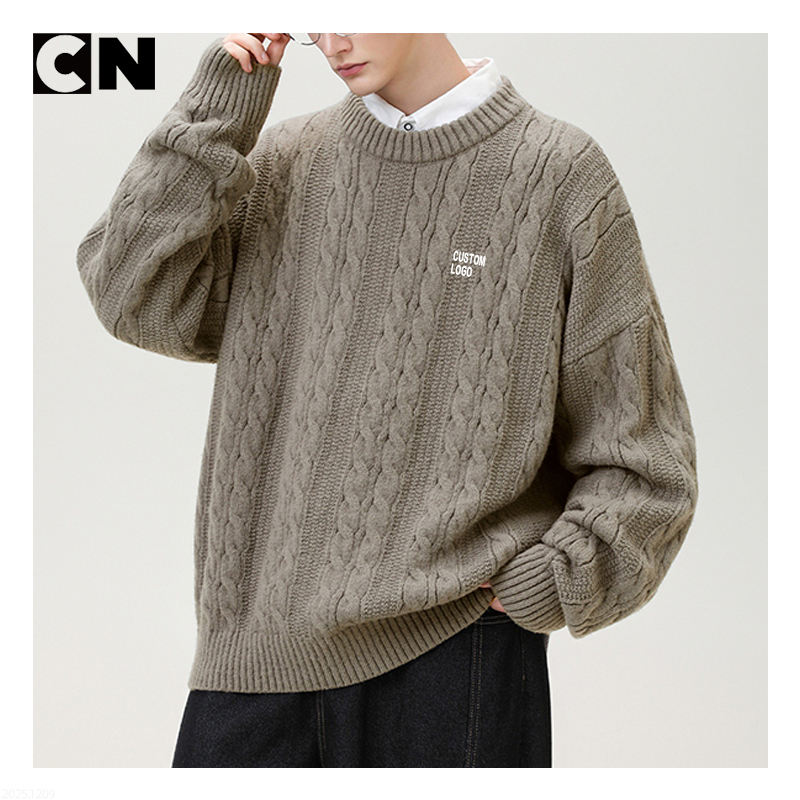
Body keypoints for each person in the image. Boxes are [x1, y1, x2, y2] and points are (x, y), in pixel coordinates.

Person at [75, 33, 699, 768]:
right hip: (252, 660)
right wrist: (220, 106)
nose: (332, 38)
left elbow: (645, 451)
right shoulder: (282, 163)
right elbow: (133, 296)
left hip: (454, 656)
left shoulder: (558, 173)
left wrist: (560, 579)